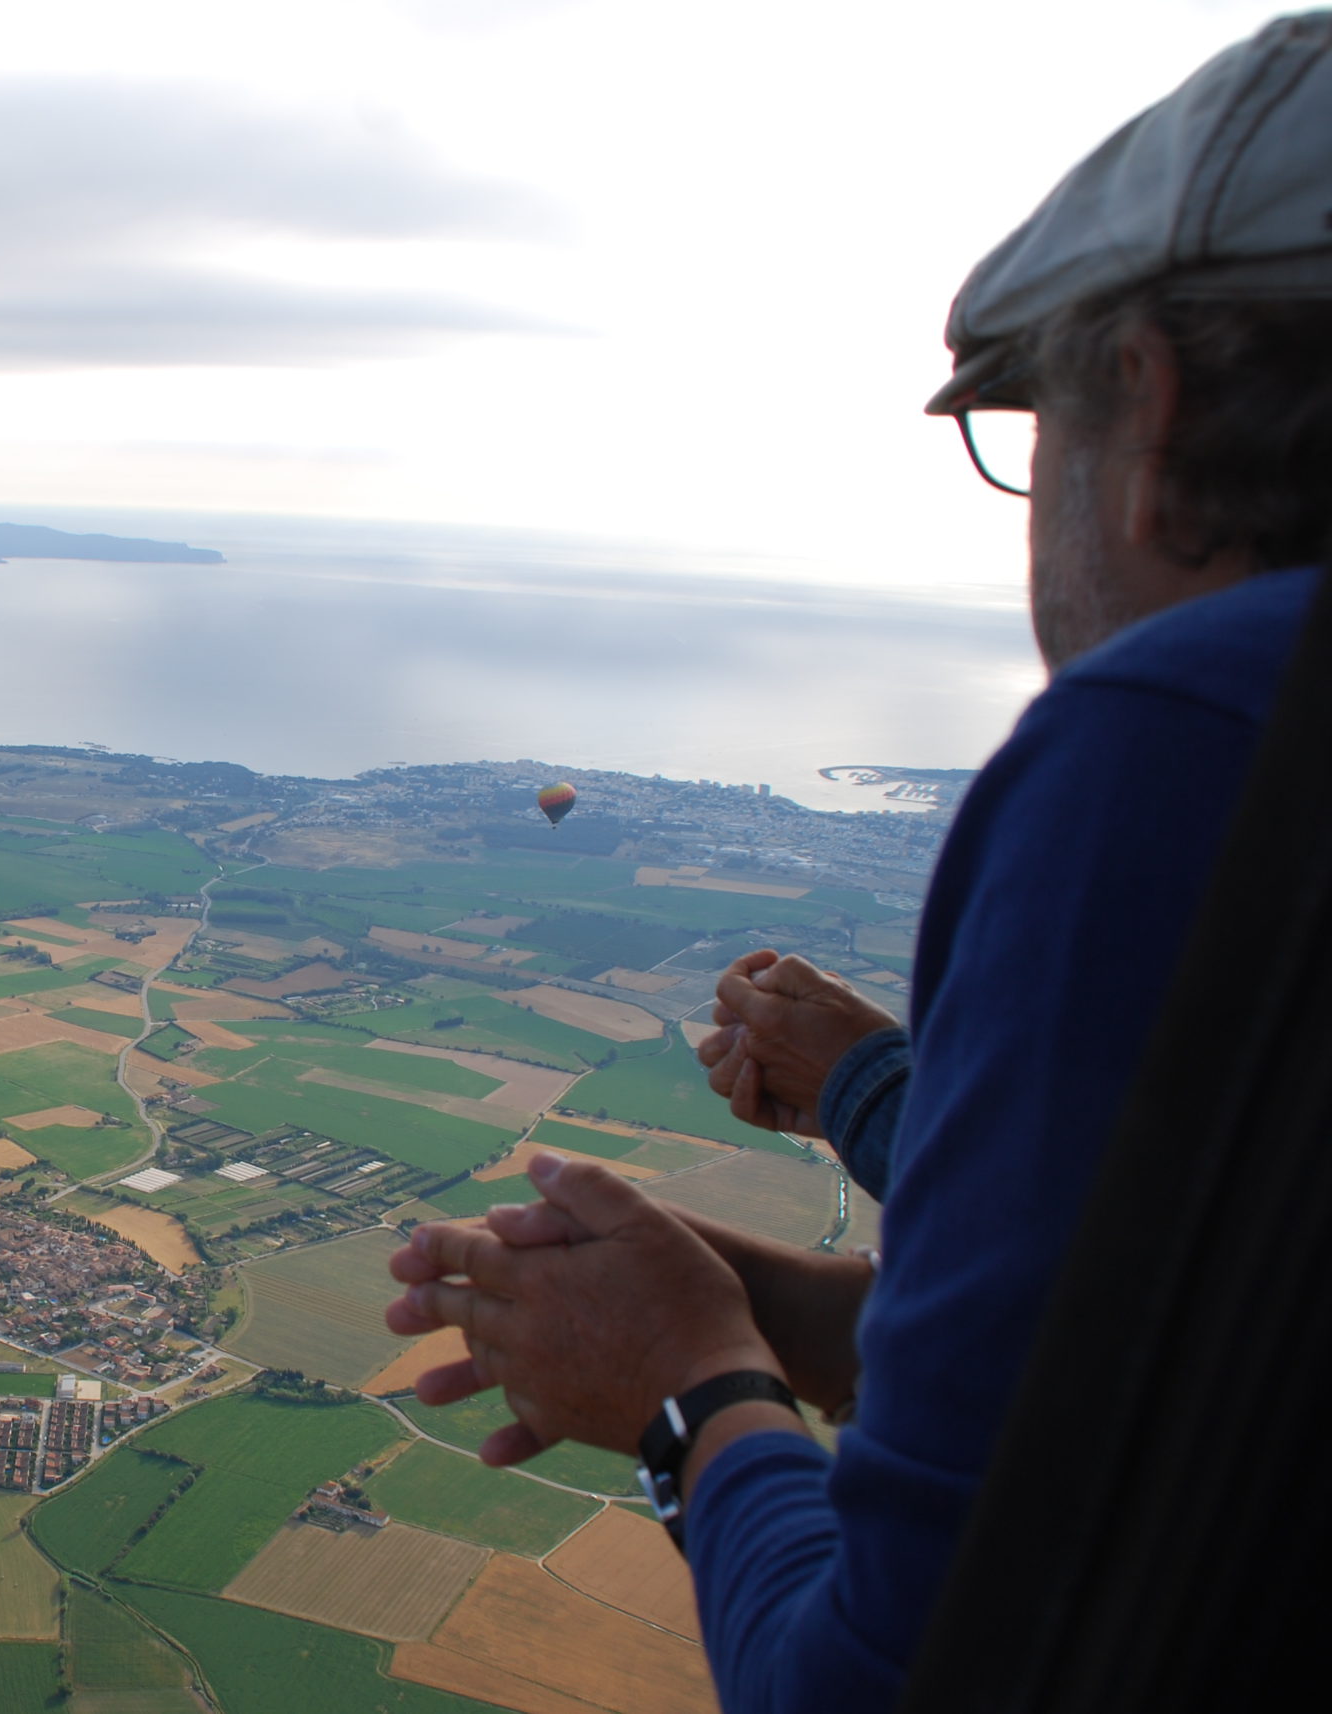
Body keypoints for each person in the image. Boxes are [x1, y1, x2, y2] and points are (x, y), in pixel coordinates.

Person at [386, 13, 1332, 1708]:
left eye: (1026, 430)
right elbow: (1201, 1380)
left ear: (1150, 403)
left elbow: (892, 1681)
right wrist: (791, 1314)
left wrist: (689, 1390)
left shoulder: (1199, 742)